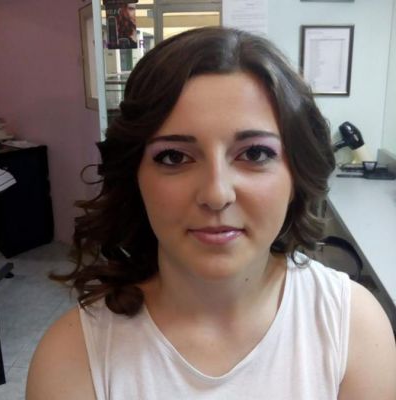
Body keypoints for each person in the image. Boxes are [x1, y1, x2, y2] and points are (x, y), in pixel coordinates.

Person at [26, 27, 396, 399]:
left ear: (296, 175)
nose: (216, 194)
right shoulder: (72, 357)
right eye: (174, 157)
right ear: (134, 176)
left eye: (254, 154)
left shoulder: (355, 330)